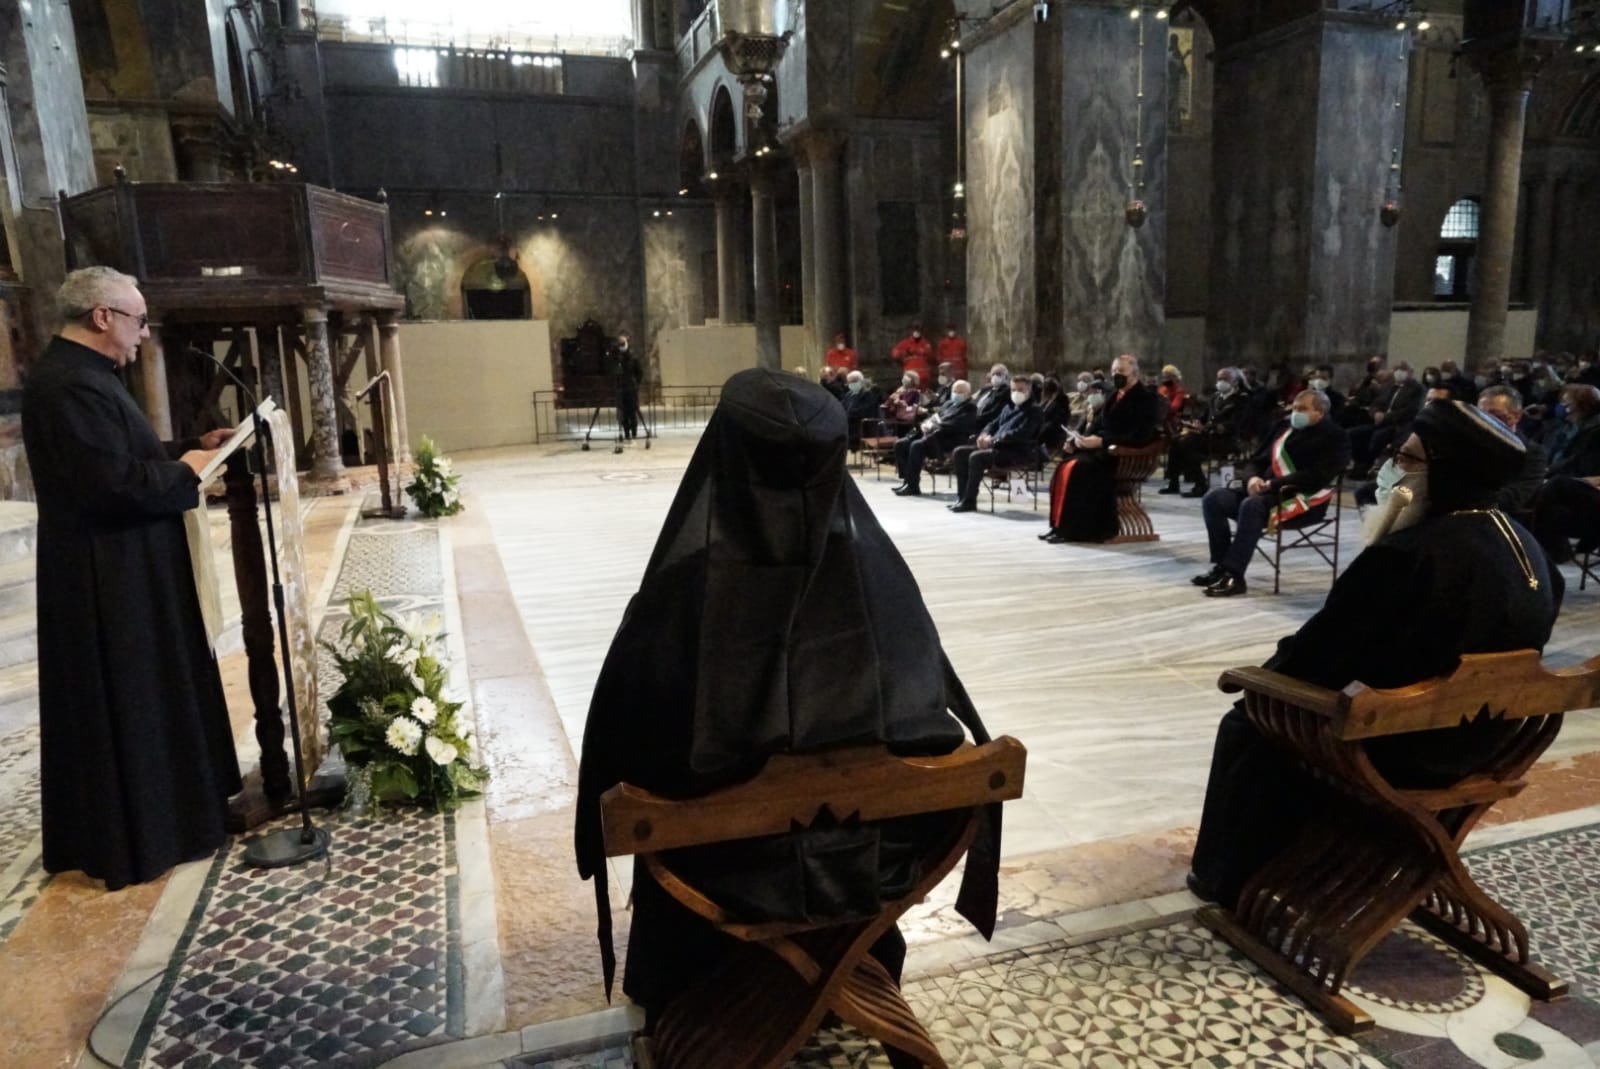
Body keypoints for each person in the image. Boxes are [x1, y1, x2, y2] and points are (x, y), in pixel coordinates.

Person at [573, 368, 1003, 1012]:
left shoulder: (680, 595)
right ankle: (840, 969)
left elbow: (618, 758)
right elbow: (932, 732)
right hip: (868, 873)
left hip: (718, 883)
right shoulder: (882, 584)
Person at [1188, 400, 1558, 908]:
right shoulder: (1528, 547)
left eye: (1407, 460)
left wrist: (1262, 678)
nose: (1392, 471)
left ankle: (1228, 878)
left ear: (1446, 470)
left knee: (1251, 719)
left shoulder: (1407, 555)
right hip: (1485, 746)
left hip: (1396, 749)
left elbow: (1314, 658)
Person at [23, 266, 242, 891]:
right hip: (105, 580)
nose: (144, 334)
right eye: (138, 320)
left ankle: (177, 814)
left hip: (128, 568)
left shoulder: (88, 377)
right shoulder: (65, 385)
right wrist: (190, 472)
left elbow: (124, 456)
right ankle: (145, 832)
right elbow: (110, 485)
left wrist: (186, 449)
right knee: (131, 698)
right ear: (101, 317)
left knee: (154, 689)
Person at [1193, 390, 1349, 597]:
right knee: (1213, 499)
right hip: (1264, 491)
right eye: (1294, 408)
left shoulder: (1335, 436)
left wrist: (1273, 484)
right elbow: (1256, 460)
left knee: (1251, 506)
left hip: (1301, 499)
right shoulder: (1283, 428)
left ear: (1320, 412)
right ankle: (1221, 566)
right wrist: (1253, 478)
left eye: (1302, 409)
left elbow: (1318, 476)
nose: (1295, 413)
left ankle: (1234, 575)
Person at [1040, 353, 1162, 543]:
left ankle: (1075, 530)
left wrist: (1102, 442)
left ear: (1135, 373)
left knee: (1078, 470)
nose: (1116, 375)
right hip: (1102, 451)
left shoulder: (1146, 398)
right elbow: (1098, 425)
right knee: (1065, 466)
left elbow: (1140, 435)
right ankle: (1058, 526)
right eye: (1113, 371)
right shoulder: (1114, 395)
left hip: (1121, 455)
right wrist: (1078, 440)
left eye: (1121, 371)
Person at [949, 376, 1044, 513]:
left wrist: (992, 440)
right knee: (960, 452)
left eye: (1020, 390)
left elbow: (1020, 433)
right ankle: (962, 497)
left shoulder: (1035, 411)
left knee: (976, 457)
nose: (1016, 393)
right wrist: (984, 435)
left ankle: (970, 501)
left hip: (1016, 451)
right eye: (1013, 389)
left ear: (1029, 391)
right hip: (998, 447)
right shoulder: (1008, 407)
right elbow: (992, 424)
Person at [892, 378, 979, 496]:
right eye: (954, 391)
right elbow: (935, 416)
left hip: (947, 440)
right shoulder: (949, 403)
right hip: (932, 436)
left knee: (917, 446)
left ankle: (913, 486)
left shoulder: (970, 408)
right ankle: (907, 480)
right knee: (901, 444)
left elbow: (955, 425)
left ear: (968, 394)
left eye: (960, 392)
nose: (956, 394)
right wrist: (926, 424)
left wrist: (934, 426)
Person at [1476, 385, 1547, 515]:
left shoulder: (1532, 454)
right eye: (1480, 413)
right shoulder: (1470, 444)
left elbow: (1514, 497)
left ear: (1516, 416)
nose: (1484, 419)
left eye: (1494, 414)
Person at [607, 331, 643, 440]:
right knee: (623, 414)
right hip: (621, 389)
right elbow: (611, 369)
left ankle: (634, 433)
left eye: (623, 344)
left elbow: (639, 372)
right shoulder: (617, 358)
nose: (621, 347)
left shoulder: (633, 357)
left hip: (631, 389)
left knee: (632, 412)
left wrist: (636, 384)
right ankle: (626, 433)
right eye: (620, 344)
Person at [841, 369, 883, 449]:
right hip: (849, 423)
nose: (851, 384)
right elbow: (842, 406)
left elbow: (864, 411)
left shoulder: (867, 394)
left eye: (853, 381)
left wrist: (848, 415)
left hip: (861, 425)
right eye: (849, 382)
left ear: (860, 381)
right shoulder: (848, 395)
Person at [890, 322, 934, 387]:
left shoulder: (925, 343)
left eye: (918, 331)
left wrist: (918, 351)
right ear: (912, 331)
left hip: (923, 376)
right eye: (915, 331)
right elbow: (895, 353)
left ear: (921, 332)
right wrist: (903, 353)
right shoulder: (905, 343)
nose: (916, 333)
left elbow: (930, 355)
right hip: (910, 376)